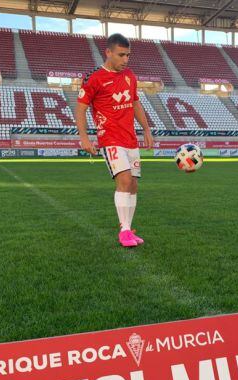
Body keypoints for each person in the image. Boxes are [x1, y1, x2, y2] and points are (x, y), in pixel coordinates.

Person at [75, 33, 154, 248]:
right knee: (125, 180)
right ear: (108, 52)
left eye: (128, 55)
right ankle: (124, 231)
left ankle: (129, 229)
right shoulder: (94, 78)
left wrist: (146, 129)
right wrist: (84, 137)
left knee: (134, 185)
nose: (126, 60)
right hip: (110, 138)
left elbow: (135, 103)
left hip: (130, 138)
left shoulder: (130, 76)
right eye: (121, 55)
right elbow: (81, 108)